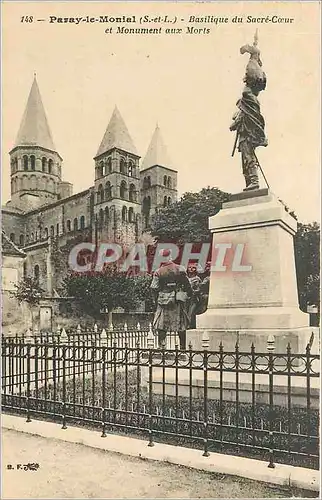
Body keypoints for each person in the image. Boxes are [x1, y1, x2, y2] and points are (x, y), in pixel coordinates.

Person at [151, 249, 192, 349]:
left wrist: (155, 300)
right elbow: (187, 285)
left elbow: (154, 287)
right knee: (180, 324)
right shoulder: (180, 268)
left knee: (161, 325)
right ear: (171, 257)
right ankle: (182, 347)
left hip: (163, 301)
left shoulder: (158, 271)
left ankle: (162, 347)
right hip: (177, 299)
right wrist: (188, 295)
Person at [187, 264, 202, 329]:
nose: (191, 269)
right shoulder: (186, 278)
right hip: (186, 298)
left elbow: (199, 289)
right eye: (190, 267)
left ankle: (190, 325)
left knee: (191, 312)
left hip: (194, 298)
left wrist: (193, 291)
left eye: (193, 268)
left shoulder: (197, 279)